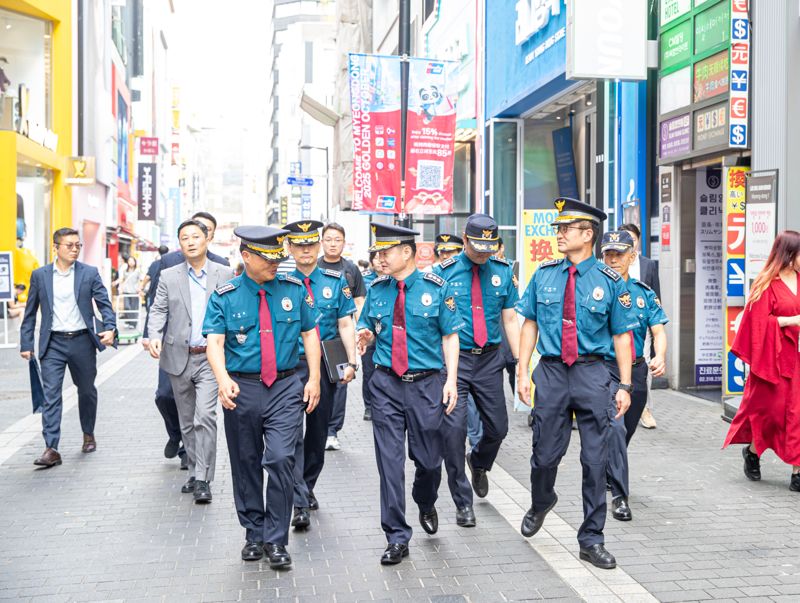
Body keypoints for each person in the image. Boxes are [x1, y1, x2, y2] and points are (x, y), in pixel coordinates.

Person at [516, 198, 638, 570]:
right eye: (558, 228)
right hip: (551, 372)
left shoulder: (610, 281)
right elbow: (530, 324)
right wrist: (523, 371)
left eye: (565, 229)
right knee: (544, 454)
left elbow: (621, 337)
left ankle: (591, 538)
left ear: (587, 235)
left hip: (592, 373)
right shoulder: (544, 274)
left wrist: (625, 386)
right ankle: (541, 500)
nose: (558, 234)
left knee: (594, 460)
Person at [204, 226, 321, 569]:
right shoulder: (225, 295)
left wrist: (313, 378)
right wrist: (222, 379)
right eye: (268, 259)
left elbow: (310, 334)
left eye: (278, 258)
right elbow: (214, 342)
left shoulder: (293, 289)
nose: (276, 265)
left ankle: (276, 538)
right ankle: (254, 531)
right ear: (246, 256)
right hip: (242, 387)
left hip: (285, 386)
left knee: (283, 458)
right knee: (246, 462)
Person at [356, 223, 463, 565]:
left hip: (426, 385)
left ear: (407, 252)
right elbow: (368, 326)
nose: (379, 258)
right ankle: (396, 536)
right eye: (377, 253)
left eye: (385, 252)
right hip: (386, 384)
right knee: (389, 464)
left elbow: (450, 337)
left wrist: (452, 381)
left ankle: (425, 497)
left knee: (430, 461)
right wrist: (364, 336)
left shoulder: (437, 288)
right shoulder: (377, 290)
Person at [432, 214, 520, 528]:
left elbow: (510, 319)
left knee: (498, 428)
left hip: (490, 360)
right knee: (453, 434)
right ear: (465, 241)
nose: (483, 253)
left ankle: (479, 461)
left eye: (489, 246)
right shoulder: (443, 273)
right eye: (477, 246)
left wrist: (521, 362)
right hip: (454, 361)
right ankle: (462, 502)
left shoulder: (502, 272)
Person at [147, 219, 234, 504]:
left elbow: (234, 311)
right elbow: (158, 309)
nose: (191, 241)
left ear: (206, 239)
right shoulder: (169, 275)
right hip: (178, 357)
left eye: (196, 236)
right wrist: (154, 335)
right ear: (180, 243)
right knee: (186, 421)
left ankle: (203, 478)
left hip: (210, 357)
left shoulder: (224, 273)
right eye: (184, 237)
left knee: (205, 417)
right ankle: (194, 470)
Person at [20, 228, 117, 468]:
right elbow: (30, 312)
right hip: (52, 343)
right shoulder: (40, 276)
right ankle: (51, 448)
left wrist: (111, 327)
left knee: (86, 390)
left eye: (78, 246)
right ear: (56, 247)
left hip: (83, 341)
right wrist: (26, 343)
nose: (74, 249)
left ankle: (88, 433)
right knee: (51, 396)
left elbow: (104, 304)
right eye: (69, 245)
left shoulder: (89, 273)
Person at [283, 220, 357, 529]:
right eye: (298, 245)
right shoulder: (282, 282)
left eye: (310, 245)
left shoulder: (335, 279)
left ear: (318, 247)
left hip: (326, 364)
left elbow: (345, 323)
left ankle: (307, 484)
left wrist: (351, 361)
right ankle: (299, 499)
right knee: (289, 435)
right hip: (290, 366)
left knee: (317, 434)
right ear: (289, 248)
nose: (305, 250)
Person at [723, 230, 800, 491]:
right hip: (774, 361)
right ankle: (753, 451)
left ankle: (797, 471)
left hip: (797, 360)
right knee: (771, 415)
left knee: (796, 414)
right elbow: (756, 324)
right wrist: (790, 321)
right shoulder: (766, 283)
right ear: (789, 254)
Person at [600, 230, 668, 521]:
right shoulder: (593, 289)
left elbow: (658, 330)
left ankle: (608, 466)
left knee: (624, 431)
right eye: (608, 254)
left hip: (637, 370)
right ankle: (619, 496)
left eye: (619, 254)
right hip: (605, 369)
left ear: (632, 255)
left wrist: (660, 355)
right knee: (615, 427)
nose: (614, 259)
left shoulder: (643, 292)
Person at [319, 222, 366, 451]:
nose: (332, 244)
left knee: (340, 384)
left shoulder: (350, 269)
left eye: (337, 239)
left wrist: (361, 331)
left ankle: (332, 430)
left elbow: (358, 302)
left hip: (340, 338)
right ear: (322, 242)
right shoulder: (314, 267)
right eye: (328, 239)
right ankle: (317, 427)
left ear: (343, 242)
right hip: (317, 336)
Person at [619, 223, 661, 430]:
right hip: (617, 327)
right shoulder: (611, 264)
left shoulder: (648, 265)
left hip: (641, 326)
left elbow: (656, 296)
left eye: (632, 238)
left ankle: (645, 408)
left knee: (641, 364)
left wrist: (658, 350)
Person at [360, 252, 383, 421]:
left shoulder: (394, 279)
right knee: (368, 371)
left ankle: (380, 403)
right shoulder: (365, 279)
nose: (381, 261)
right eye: (377, 257)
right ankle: (369, 405)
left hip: (386, 334)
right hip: (370, 332)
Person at [113, 256, 142, 329]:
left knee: (134, 309)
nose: (131, 262)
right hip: (126, 291)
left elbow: (140, 280)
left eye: (132, 261)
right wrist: (116, 283)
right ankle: (128, 321)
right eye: (129, 261)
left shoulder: (138, 271)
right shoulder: (125, 270)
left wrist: (140, 289)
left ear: (135, 262)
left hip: (134, 292)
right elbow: (121, 279)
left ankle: (133, 324)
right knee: (127, 307)